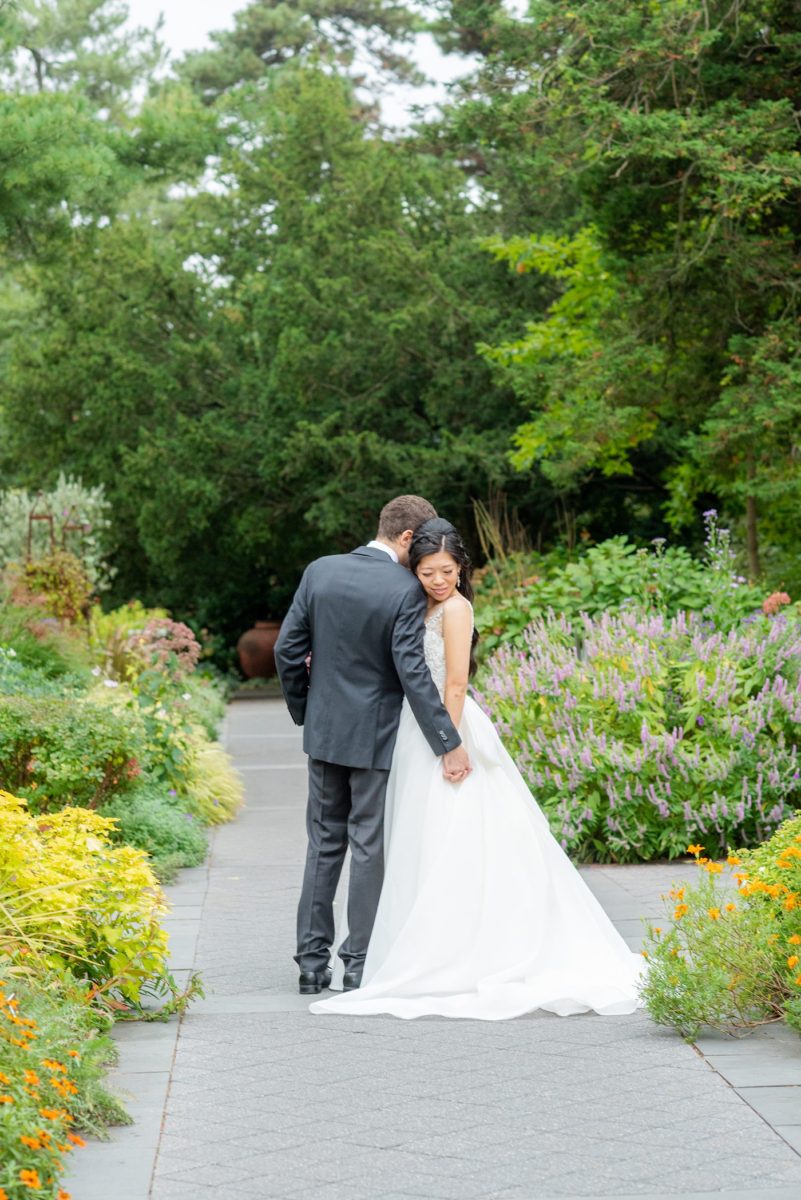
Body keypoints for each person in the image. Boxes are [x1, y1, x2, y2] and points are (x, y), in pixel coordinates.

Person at [311, 517, 643, 1019]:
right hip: (407, 729)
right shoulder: (411, 601)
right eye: (427, 572)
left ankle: (465, 948)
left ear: (461, 567)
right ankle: (411, 942)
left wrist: (450, 744)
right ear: (413, 569)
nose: (438, 580)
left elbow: (456, 684)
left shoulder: (458, 609)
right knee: (411, 839)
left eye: (446, 570)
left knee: (457, 833)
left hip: (447, 728)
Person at [274, 496, 471, 996]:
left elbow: (286, 650)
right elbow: (412, 672)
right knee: (367, 846)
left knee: (323, 845)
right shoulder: (404, 588)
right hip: (378, 735)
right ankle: (356, 964)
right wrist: (448, 741)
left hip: (324, 734)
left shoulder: (319, 571)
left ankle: (311, 965)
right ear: (407, 538)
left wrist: (307, 711)